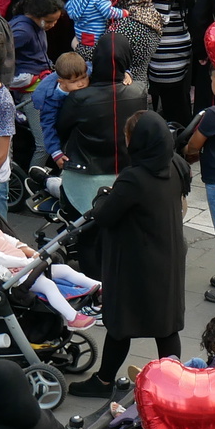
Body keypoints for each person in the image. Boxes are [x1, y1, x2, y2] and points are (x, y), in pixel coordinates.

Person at [68, 113, 186, 398]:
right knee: (166, 325)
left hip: (136, 262)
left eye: (128, 137)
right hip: (168, 254)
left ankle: (104, 381)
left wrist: (102, 196)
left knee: (121, 322)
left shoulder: (134, 178)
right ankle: (174, 382)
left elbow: (105, 215)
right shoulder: (176, 165)